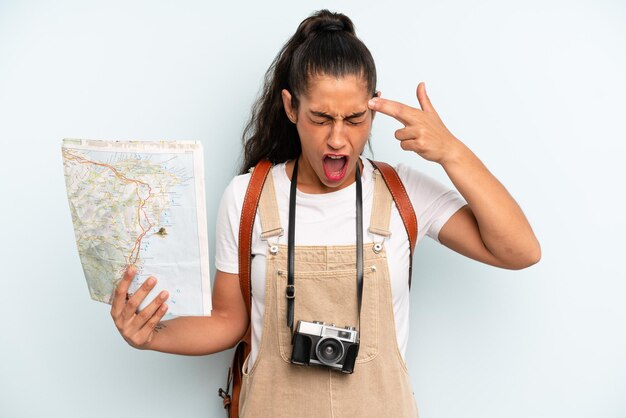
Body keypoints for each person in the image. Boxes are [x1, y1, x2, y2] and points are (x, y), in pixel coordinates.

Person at [110, 9, 541, 417]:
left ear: (374, 107)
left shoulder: (401, 192)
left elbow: (520, 251)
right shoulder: (247, 197)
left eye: (355, 118)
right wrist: (152, 336)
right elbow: (229, 321)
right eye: (321, 118)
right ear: (291, 107)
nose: (338, 138)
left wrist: (451, 152)